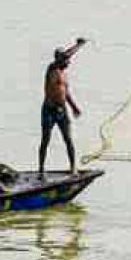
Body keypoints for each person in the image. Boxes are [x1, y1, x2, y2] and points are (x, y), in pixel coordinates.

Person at [39, 37, 88, 177]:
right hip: (49, 110)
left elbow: (65, 93)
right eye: (66, 60)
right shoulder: (52, 69)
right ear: (59, 60)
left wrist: (74, 107)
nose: (69, 62)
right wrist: (78, 45)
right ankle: (41, 170)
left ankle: (73, 168)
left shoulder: (64, 74)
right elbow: (67, 54)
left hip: (62, 111)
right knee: (45, 139)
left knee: (68, 139)